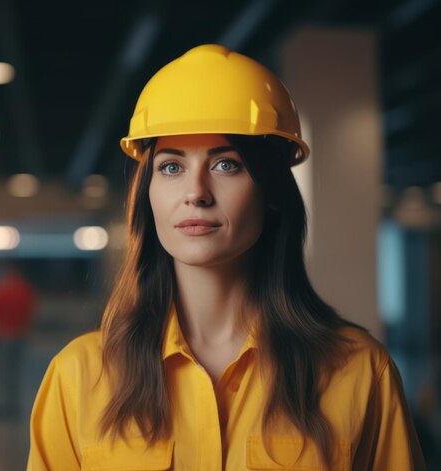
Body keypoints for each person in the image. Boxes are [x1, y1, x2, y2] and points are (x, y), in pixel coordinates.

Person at [27, 45, 426, 470]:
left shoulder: (358, 370)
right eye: (171, 167)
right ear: (147, 193)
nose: (196, 193)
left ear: (271, 191)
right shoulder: (77, 377)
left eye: (226, 165)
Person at [0, 264, 37, 419]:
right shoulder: (25, 289)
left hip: (4, 335)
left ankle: (5, 405)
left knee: (3, 373)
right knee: (16, 373)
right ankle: (15, 405)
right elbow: (32, 309)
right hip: (21, 335)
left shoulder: (2, 288)